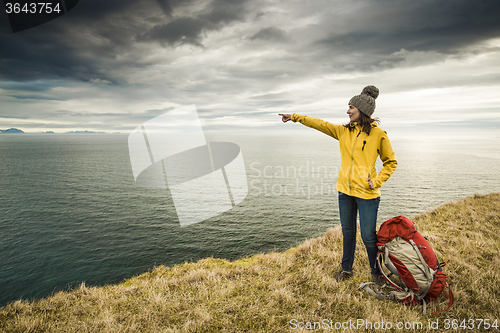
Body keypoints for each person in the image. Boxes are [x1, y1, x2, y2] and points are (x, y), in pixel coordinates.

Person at [278, 85, 397, 284]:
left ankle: (376, 273)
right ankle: (346, 270)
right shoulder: (343, 132)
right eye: (348, 107)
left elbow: (391, 162)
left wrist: (376, 181)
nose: (348, 111)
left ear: (363, 111)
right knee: (348, 233)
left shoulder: (379, 134)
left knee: (369, 237)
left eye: (351, 107)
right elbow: (319, 124)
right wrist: (295, 116)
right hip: (345, 191)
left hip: (367, 194)